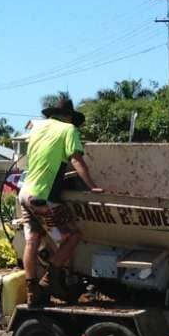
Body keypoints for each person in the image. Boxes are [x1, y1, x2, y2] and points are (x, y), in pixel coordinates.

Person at [19, 97, 103, 306]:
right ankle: (51, 280)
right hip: (42, 196)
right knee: (72, 236)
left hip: (25, 192)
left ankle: (32, 290)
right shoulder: (69, 130)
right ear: (69, 117)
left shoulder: (36, 129)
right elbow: (76, 159)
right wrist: (92, 187)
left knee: (32, 241)